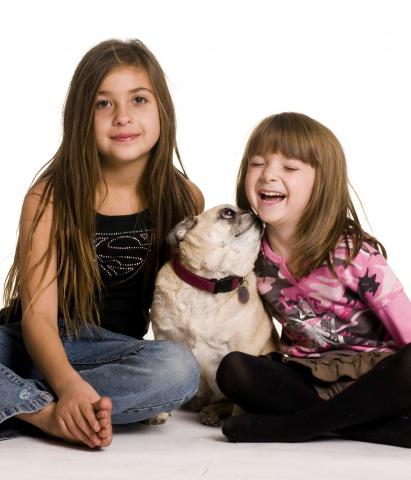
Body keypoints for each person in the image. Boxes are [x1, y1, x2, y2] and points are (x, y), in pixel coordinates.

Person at [0, 39, 204, 448]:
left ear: (162, 109)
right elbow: (38, 317)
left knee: (178, 368)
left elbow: (180, 299)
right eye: (103, 104)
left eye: (139, 99)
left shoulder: (184, 198)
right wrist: (67, 385)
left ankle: (23, 401)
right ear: (81, 117)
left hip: (110, 351)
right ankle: (47, 415)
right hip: (33, 339)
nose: (123, 117)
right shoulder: (50, 197)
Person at [216, 112, 411, 448]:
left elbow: (407, 332)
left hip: (377, 378)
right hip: (309, 376)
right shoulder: (250, 256)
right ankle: (366, 428)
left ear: (322, 183)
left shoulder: (353, 255)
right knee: (233, 370)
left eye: (289, 168)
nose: (269, 175)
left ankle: (295, 427)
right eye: (257, 163)